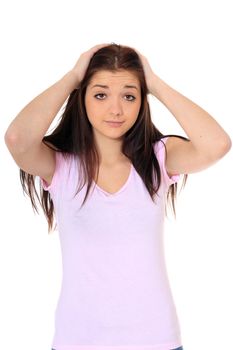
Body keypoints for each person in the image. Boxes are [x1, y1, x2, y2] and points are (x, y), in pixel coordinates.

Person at [4, 43, 231, 350]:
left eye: (129, 95)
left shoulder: (158, 158)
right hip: (78, 340)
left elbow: (217, 144)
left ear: (141, 101)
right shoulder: (60, 165)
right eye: (100, 94)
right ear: (82, 98)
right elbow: (17, 139)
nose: (115, 109)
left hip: (156, 339)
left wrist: (155, 83)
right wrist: (72, 77)